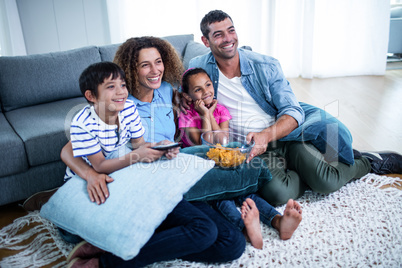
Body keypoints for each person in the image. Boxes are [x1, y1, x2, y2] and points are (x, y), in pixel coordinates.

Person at [182, 10, 402, 207]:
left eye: (231, 30)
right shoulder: (199, 67)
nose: (228, 38)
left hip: (284, 137)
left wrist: (265, 136)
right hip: (250, 150)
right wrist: (181, 99)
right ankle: (305, 169)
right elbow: (184, 89)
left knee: (327, 181)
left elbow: (293, 111)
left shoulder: (265, 65)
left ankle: (368, 161)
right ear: (205, 40)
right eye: (218, 34)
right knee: (278, 195)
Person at [61, 37, 246, 268]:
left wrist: (166, 142)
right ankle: (104, 261)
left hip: (168, 175)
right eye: (145, 65)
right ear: (132, 69)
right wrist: (91, 174)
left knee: (232, 244)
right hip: (140, 185)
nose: (155, 69)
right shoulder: (119, 102)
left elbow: (190, 98)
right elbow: (69, 149)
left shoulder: (166, 91)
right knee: (204, 231)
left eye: (158, 62)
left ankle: (115, 243)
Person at [179, 67, 302, 249]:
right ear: (188, 96)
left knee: (245, 192)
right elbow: (204, 146)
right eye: (198, 89)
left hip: (221, 162)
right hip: (199, 168)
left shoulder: (220, 110)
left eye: (208, 85)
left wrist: (211, 114)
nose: (206, 92)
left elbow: (221, 141)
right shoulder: (186, 115)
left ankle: (278, 221)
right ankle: (245, 229)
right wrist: (205, 115)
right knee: (222, 197)